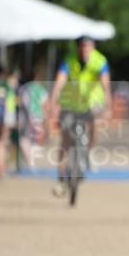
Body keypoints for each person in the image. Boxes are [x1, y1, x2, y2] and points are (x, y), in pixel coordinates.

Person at [46, 36, 112, 195]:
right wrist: (53, 102)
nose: (84, 50)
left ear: (93, 47)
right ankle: (61, 179)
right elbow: (59, 82)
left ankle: (89, 152)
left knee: (95, 126)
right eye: (82, 47)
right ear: (77, 48)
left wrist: (108, 106)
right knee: (65, 141)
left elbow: (105, 85)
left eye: (87, 47)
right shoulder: (69, 60)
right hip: (70, 102)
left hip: (91, 102)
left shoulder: (100, 61)